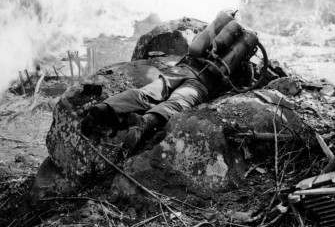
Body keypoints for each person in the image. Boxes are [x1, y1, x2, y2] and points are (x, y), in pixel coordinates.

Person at [81, 11, 262, 153]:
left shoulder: (213, 34)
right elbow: (243, 84)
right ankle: (145, 122)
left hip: (180, 70)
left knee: (147, 93)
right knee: (177, 103)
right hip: (201, 85)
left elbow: (194, 47)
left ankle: (106, 108)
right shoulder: (242, 63)